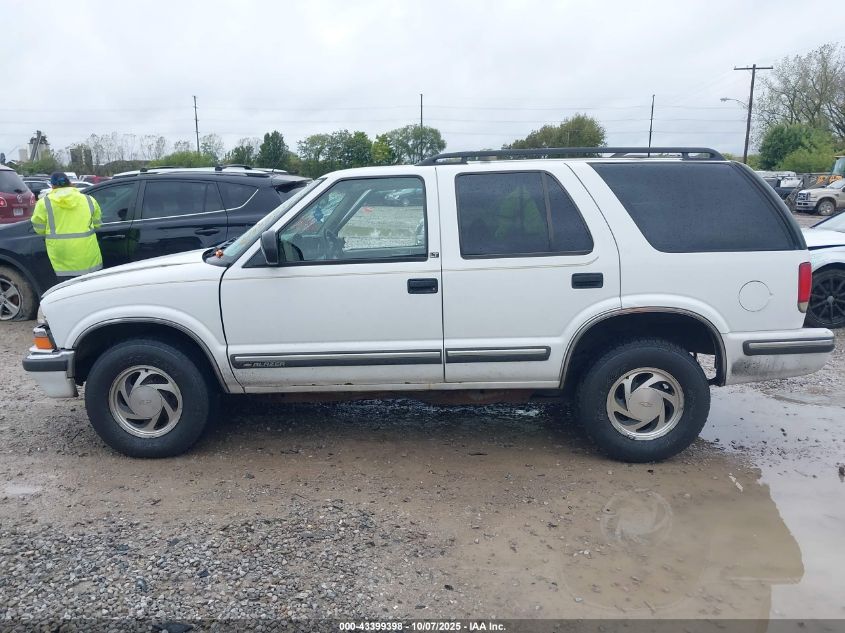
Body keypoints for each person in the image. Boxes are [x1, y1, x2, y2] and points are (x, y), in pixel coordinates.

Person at [31, 172, 103, 278]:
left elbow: (39, 229)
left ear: (52, 185)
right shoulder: (89, 200)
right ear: (69, 182)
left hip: (62, 256)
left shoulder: (44, 203)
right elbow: (97, 224)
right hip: (88, 254)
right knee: (90, 291)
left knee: (67, 291)